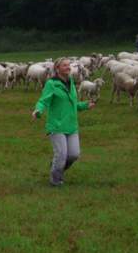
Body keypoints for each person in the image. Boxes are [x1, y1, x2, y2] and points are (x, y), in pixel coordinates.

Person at [31, 58, 95, 187]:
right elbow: (43, 101)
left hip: (71, 125)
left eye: (68, 65)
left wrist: (85, 105)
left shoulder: (71, 82)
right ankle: (55, 181)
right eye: (64, 65)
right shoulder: (51, 84)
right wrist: (38, 110)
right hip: (57, 126)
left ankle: (56, 167)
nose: (68, 67)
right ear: (57, 68)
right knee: (61, 155)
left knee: (74, 155)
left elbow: (72, 103)